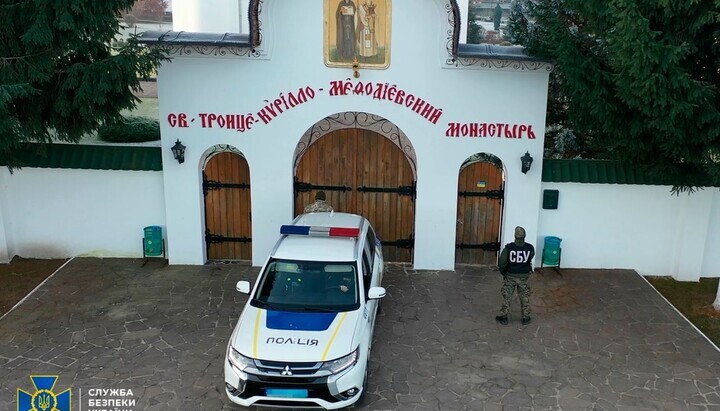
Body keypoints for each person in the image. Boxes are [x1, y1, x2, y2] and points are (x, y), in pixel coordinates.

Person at [496, 226, 535, 326]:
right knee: (524, 296)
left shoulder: (508, 248)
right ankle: (525, 317)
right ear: (524, 236)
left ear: (515, 236)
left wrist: (504, 273)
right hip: (524, 276)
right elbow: (530, 257)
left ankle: (504, 316)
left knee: (507, 296)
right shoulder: (530, 248)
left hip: (511, 276)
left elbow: (502, 263)